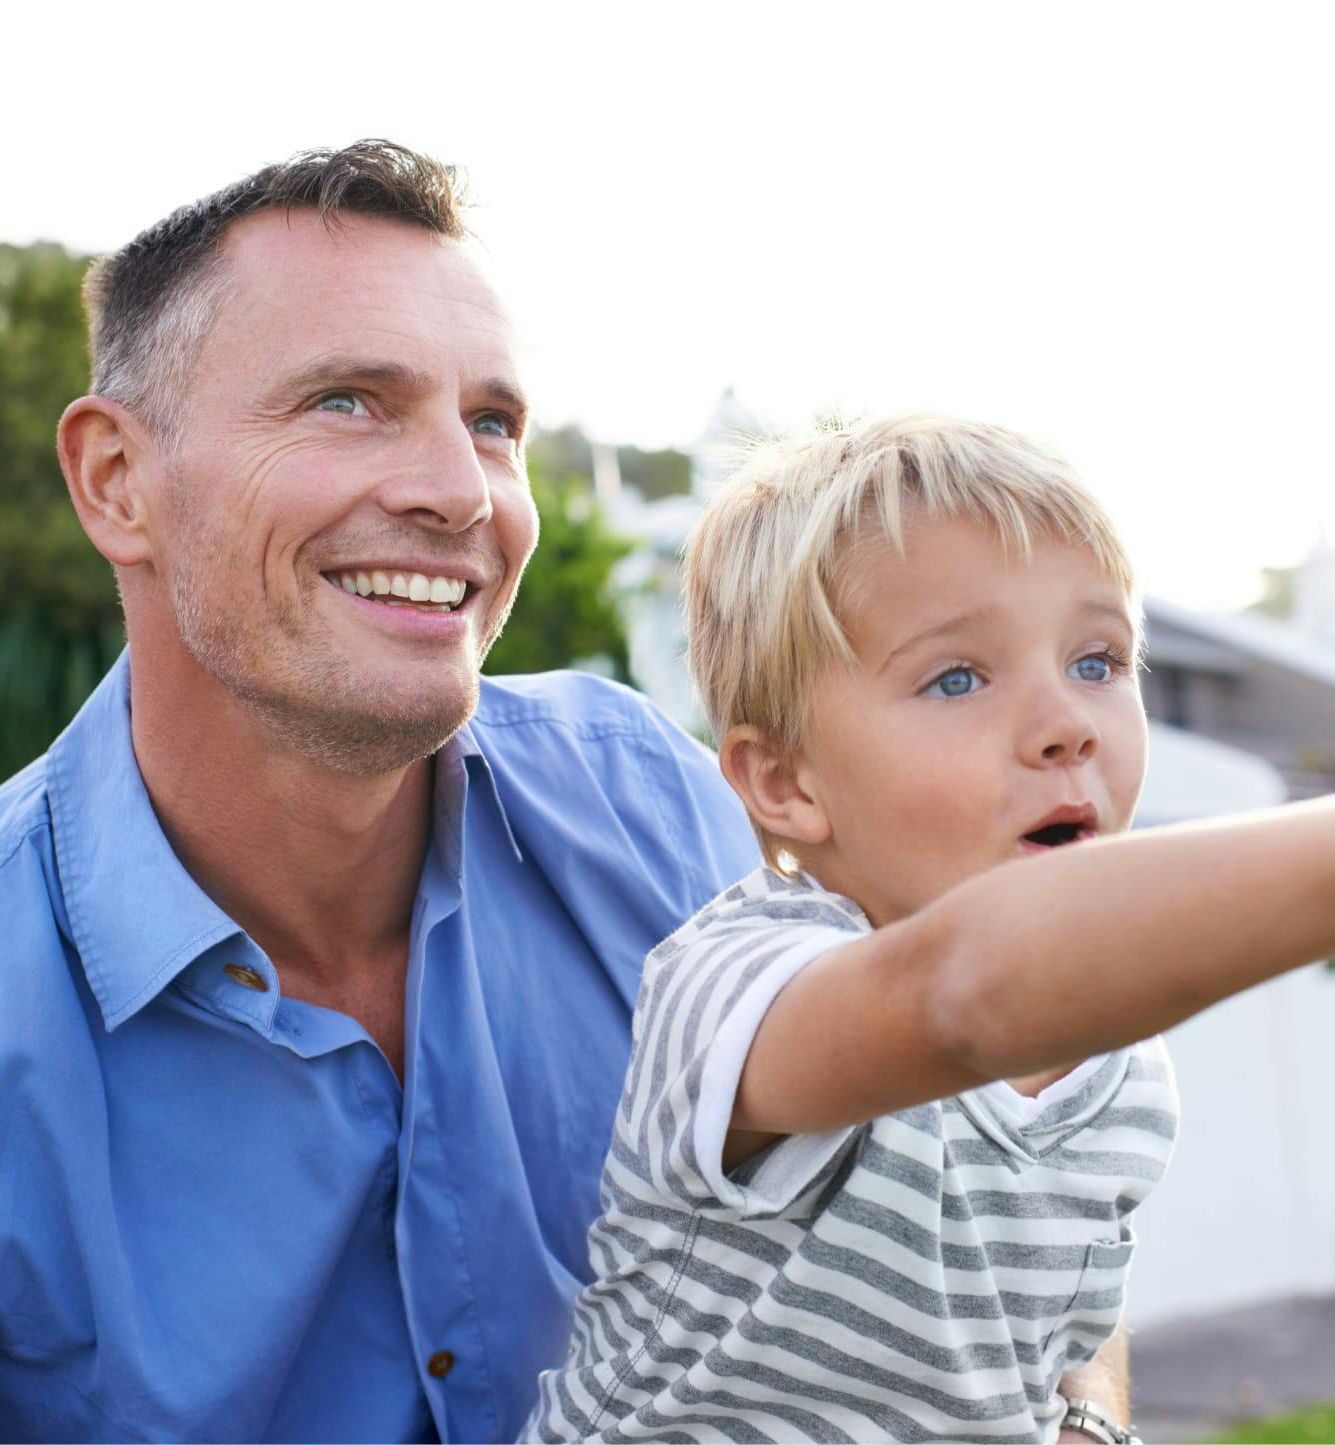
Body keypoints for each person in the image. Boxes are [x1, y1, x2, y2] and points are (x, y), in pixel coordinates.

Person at [0, 142, 764, 1443]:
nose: (462, 492)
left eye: (492, 423)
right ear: (117, 482)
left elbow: (977, 1184)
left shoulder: (658, 812)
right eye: (348, 401)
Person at [525, 415, 1335, 1444]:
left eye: (1097, 658)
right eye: (956, 677)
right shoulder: (738, 980)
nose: (1068, 720)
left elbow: (1057, 1334)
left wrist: (1087, 1427)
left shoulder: (1122, 1070)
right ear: (783, 779)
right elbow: (958, 998)